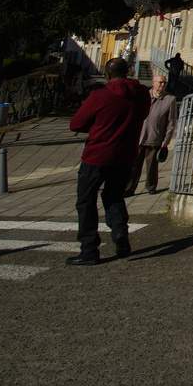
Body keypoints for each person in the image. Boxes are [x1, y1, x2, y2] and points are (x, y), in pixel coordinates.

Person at [66, 57, 150, 266]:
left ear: (107, 73)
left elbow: (76, 123)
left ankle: (89, 249)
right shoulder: (140, 94)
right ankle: (120, 234)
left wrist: (97, 127)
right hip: (125, 154)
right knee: (114, 196)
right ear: (128, 71)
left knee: (86, 201)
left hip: (98, 154)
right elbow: (143, 114)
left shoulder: (100, 96)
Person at [128, 74, 176, 196]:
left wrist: (165, 142)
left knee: (151, 167)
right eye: (160, 82)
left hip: (155, 138)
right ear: (153, 83)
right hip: (139, 137)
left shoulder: (170, 100)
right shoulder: (143, 96)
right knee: (134, 166)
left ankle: (151, 186)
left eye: (164, 82)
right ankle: (129, 188)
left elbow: (171, 123)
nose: (162, 85)